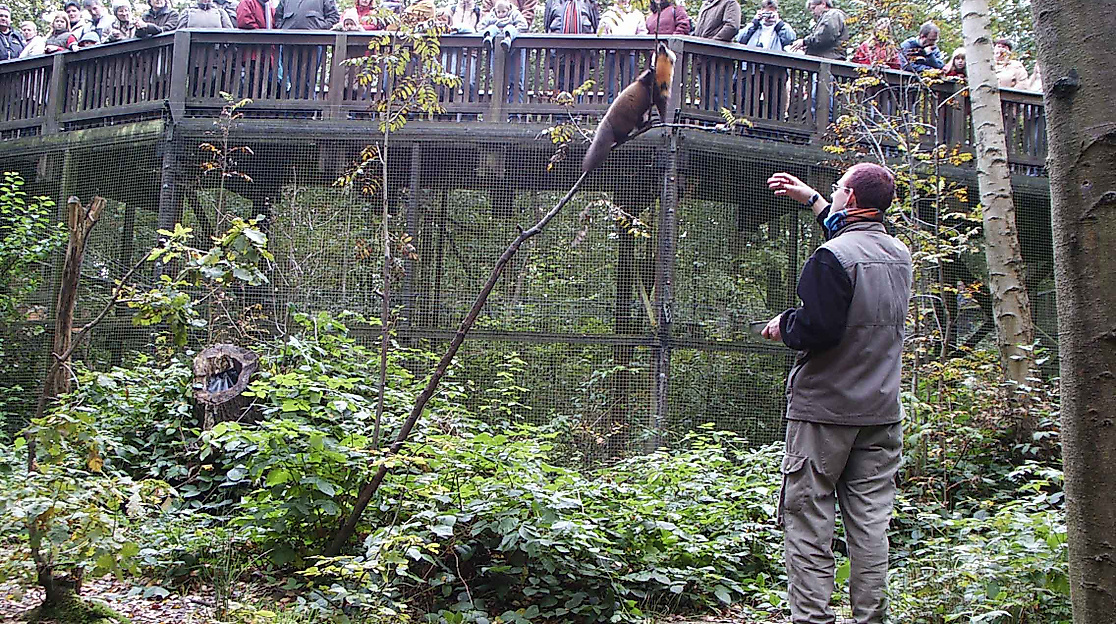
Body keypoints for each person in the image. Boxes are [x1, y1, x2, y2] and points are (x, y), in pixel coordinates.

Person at [763, 164, 911, 624]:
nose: (833, 194)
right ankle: (871, 617)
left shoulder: (830, 257)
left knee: (809, 519)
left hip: (825, 412)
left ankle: (812, 619)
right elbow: (857, 241)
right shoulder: (899, 255)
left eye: (836, 190)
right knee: (869, 524)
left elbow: (819, 328)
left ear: (848, 198)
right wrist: (810, 199)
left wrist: (784, 324)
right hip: (881, 411)